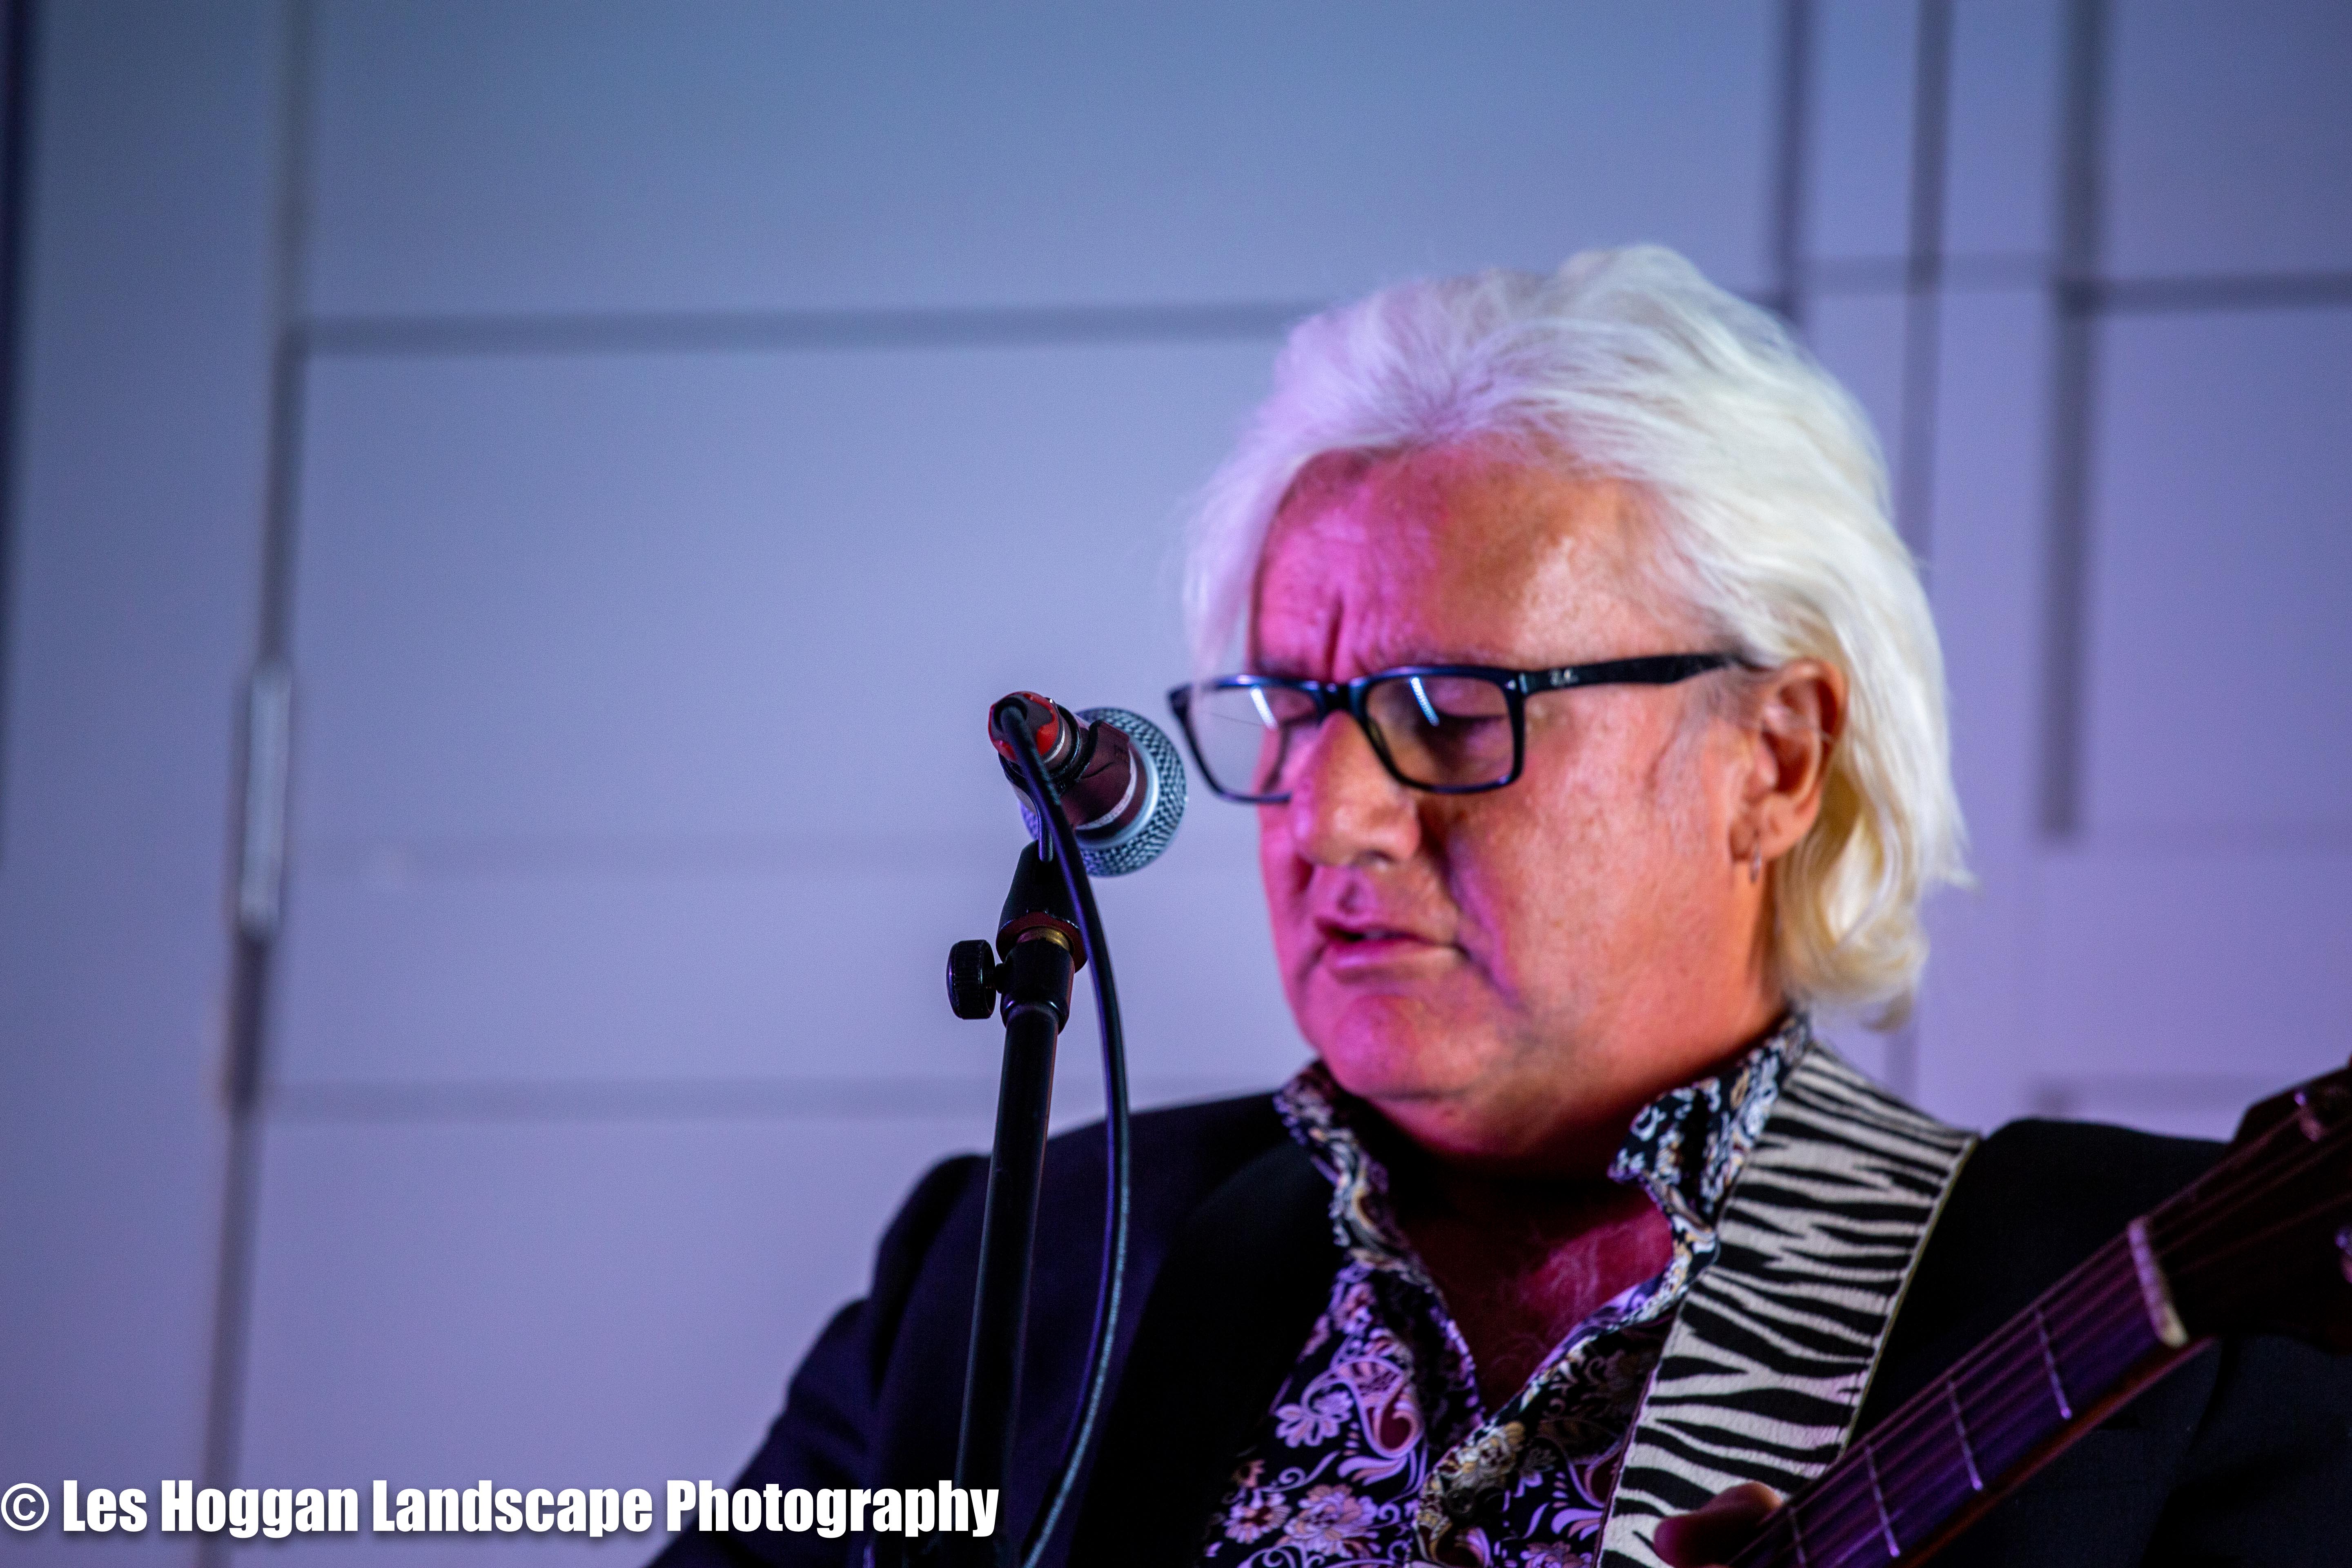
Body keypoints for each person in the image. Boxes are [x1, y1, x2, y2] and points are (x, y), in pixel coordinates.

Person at [652, 247, 2352, 1568]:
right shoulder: (1026, 1251)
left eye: (1454, 711)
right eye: (1294, 709)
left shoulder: (2164, 1309)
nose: (1331, 814)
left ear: (1773, 760)